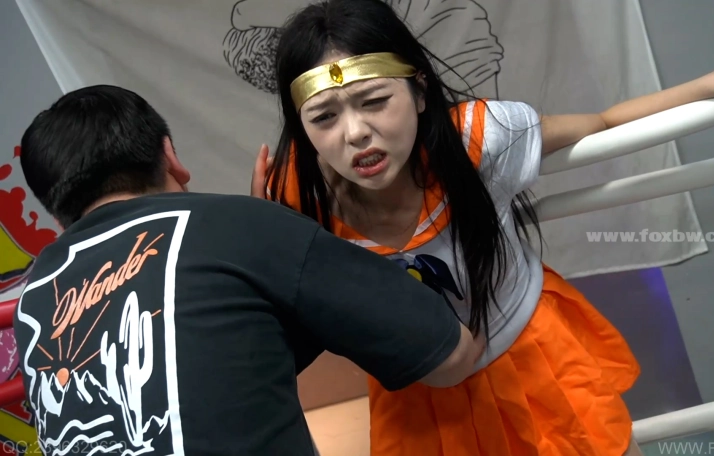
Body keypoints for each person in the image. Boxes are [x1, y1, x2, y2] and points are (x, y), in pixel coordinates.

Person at [248, 0, 714, 454]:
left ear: (419, 92)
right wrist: (266, 235)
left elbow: (605, 122)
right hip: (420, 400)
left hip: (535, 360)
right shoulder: (296, 197)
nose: (354, 133)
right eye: (324, 117)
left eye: (374, 101)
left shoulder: (478, 138)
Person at [12, 84, 486, 456]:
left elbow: (215, 372)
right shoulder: (236, 225)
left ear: (58, 216)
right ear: (171, 156)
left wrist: (274, 267)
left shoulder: (35, 299)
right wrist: (276, 238)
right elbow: (449, 356)